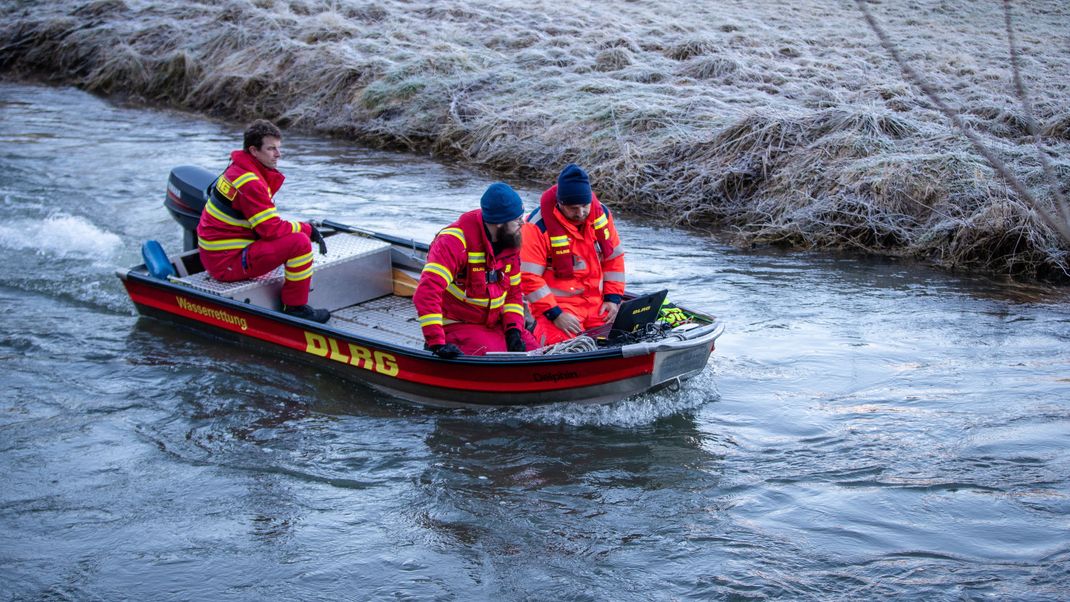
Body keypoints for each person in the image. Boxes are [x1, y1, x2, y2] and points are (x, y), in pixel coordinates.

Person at [196, 119, 330, 323]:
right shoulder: (250, 183)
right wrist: (307, 229)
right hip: (226, 263)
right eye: (271, 149)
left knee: (293, 236)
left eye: (278, 148)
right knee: (299, 243)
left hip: (218, 254)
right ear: (254, 151)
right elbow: (270, 229)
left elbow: (263, 224)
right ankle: (295, 309)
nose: (278, 154)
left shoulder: (238, 169)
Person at [414, 183, 538, 358]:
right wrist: (437, 342)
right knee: (497, 359)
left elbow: (513, 294)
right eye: (517, 220)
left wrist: (513, 330)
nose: (522, 224)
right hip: (458, 323)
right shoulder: (454, 242)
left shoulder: (509, 242)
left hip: (494, 322)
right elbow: (426, 293)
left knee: (535, 351)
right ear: (500, 223)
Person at [520, 163, 626, 345]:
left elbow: (614, 259)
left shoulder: (602, 215)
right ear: (560, 204)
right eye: (573, 208)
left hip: (598, 305)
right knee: (560, 347)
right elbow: (528, 277)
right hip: (557, 308)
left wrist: (613, 298)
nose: (581, 213)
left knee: (624, 337)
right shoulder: (536, 227)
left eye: (585, 206)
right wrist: (555, 314)